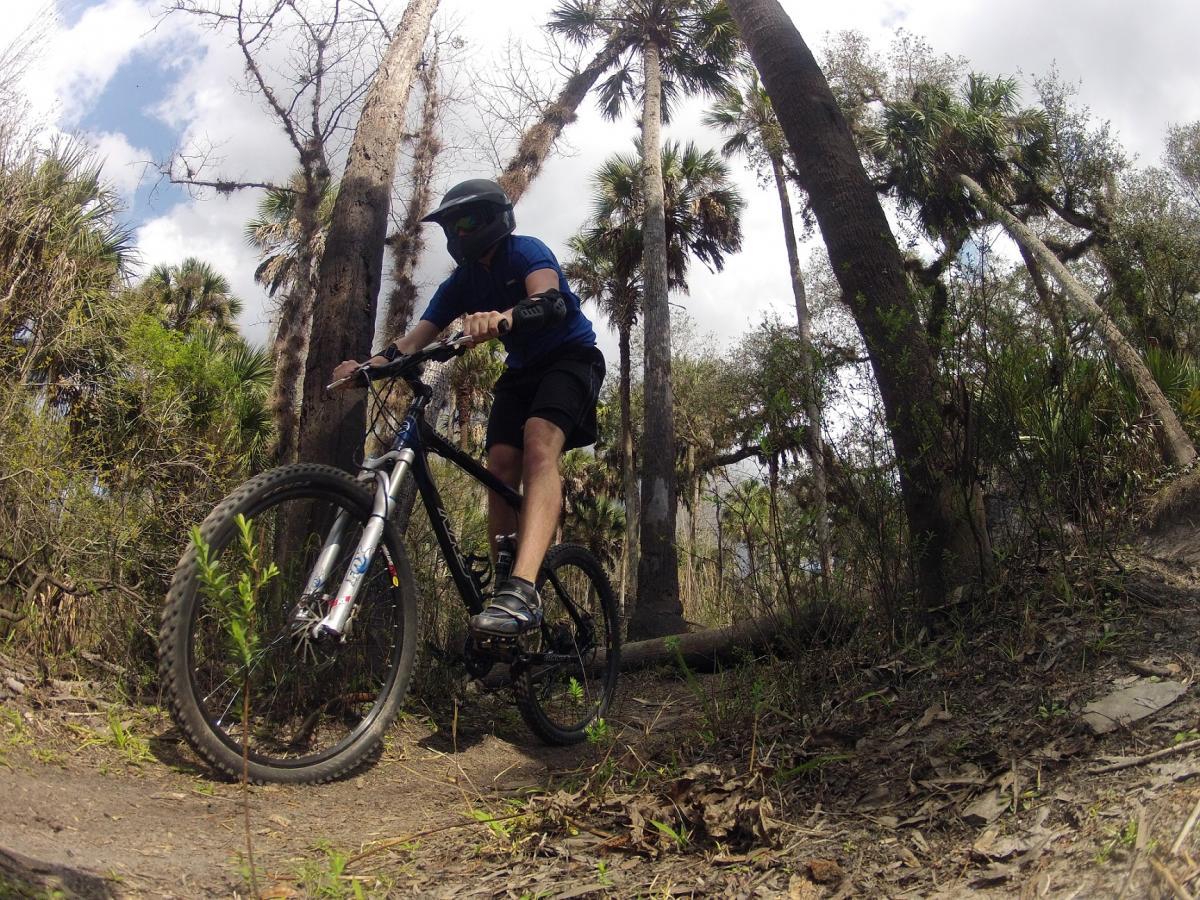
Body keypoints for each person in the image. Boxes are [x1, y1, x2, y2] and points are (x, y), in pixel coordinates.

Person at [331, 178, 605, 638]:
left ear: (495, 218)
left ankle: (522, 588)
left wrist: (506, 316)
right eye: (450, 226)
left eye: (468, 221)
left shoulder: (525, 251)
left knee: (538, 443)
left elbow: (550, 298)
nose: (458, 233)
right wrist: (365, 367)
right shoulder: (460, 283)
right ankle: (504, 580)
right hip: (522, 371)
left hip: (571, 360)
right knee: (499, 463)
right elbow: (411, 343)